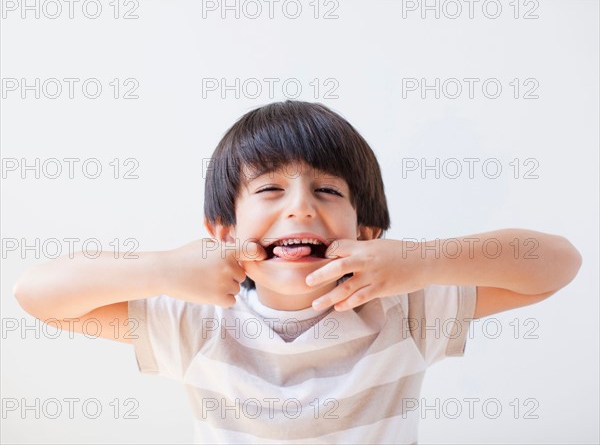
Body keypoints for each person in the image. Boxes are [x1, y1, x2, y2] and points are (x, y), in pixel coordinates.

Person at [14, 100, 582, 443]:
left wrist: (423, 261)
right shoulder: (196, 323)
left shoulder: (407, 311)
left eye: (328, 190)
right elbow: (36, 295)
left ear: (367, 232)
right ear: (222, 232)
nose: (301, 207)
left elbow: (557, 264)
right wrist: (162, 269)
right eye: (269, 189)